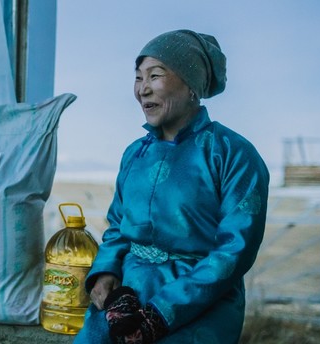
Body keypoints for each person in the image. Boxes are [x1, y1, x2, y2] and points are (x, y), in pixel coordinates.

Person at [73, 29, 270, 344]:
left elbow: (235, 249)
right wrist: (106, 273)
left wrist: (160, 314)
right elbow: (118, 228)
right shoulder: (135, 154)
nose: (143, 89)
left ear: (191, 85)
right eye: (138, 78)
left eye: (155, 76)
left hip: (199, 303)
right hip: (128, 296)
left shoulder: (232, 153)